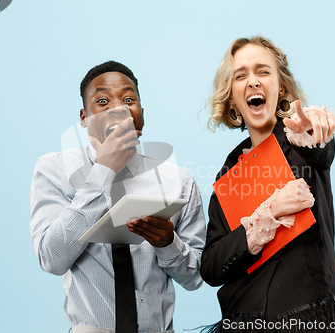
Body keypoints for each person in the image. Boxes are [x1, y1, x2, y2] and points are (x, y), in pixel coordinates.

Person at [200, 36, 335, 332]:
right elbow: (212, 266)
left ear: (281, 89)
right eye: (241, 75)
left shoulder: (300, 143)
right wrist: (269, 213)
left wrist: (315, 125)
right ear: (232, 99)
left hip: (313, 317)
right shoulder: (228, 174)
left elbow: (318, 143)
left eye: (263, 72)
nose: (253, 81)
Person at [30, 60, 206, 333]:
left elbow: (195, 278)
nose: (118, 108)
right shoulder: (55, 169)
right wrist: (104, 171)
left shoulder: (179, 181)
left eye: (128, 99)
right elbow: (52, 258)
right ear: (84, 117)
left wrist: (168, 243)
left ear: (141, 114)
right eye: (102, 101)